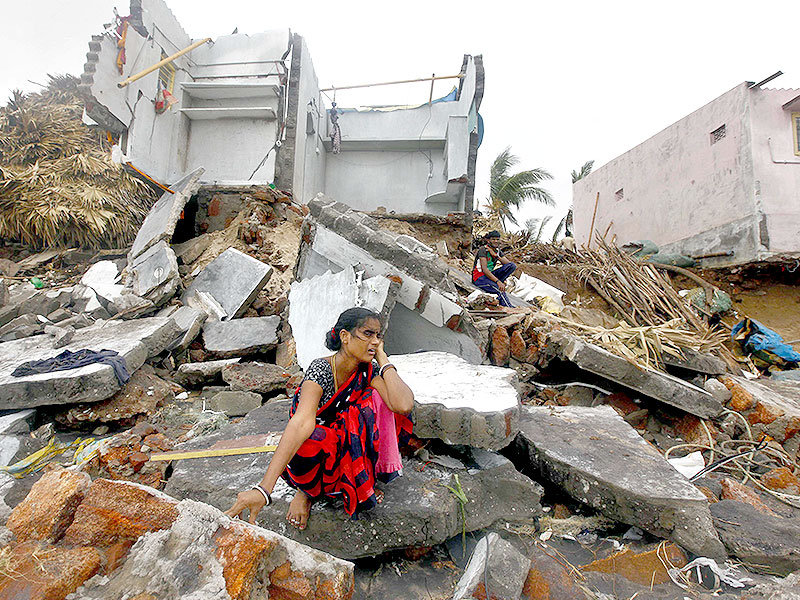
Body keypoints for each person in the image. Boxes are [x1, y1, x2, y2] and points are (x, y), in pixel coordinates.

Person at [225, 307, 415, 530]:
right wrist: (264, 489)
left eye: (378, 335)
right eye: (367, 334)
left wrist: (383, 360)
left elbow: (402, 405)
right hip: (311, 453)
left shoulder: (367, 371)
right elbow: (301, 422)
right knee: (315, 436)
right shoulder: (321, 369)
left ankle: (358, 478)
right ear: (345, 336)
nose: (374, 342)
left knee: (376, 401)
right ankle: (305, 491)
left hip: (344, 447)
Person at [472, 230, 517, 307]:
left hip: (489, 276)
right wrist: (498, 281)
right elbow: (484, 270)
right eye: (493, 239)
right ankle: (509, 307)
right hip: (480, 277)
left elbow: (508, 264)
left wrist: (496, 256)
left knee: (512, 266)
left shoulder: (497, 251)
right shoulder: (483, 250)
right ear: (488, 240)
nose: (496, 241)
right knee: (499, 290)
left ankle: (497, 283)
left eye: (497, 239)